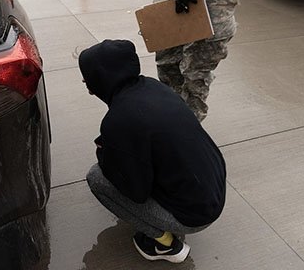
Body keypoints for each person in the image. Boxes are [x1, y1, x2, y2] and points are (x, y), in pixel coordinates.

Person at [79, 39, 226, 264]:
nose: (86, 84)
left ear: (100, 79)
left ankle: (164, 244)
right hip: (213, 189)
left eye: (87, 77)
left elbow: (135, 191)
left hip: (195, 215)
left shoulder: (119, 120)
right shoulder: (153, 87)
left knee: (97, 178)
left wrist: (105, 153)